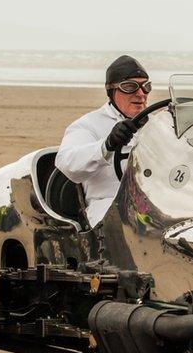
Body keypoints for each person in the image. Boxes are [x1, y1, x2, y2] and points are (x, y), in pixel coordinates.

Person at [55, 55, 152, 226]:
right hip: (108, 205)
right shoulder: (87, 125)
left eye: (146, 87)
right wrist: (107, 145)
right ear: (111, 91)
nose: (141, 93)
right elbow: (67, 164)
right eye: (130, 87)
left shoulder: (158, 124)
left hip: (156, 202)